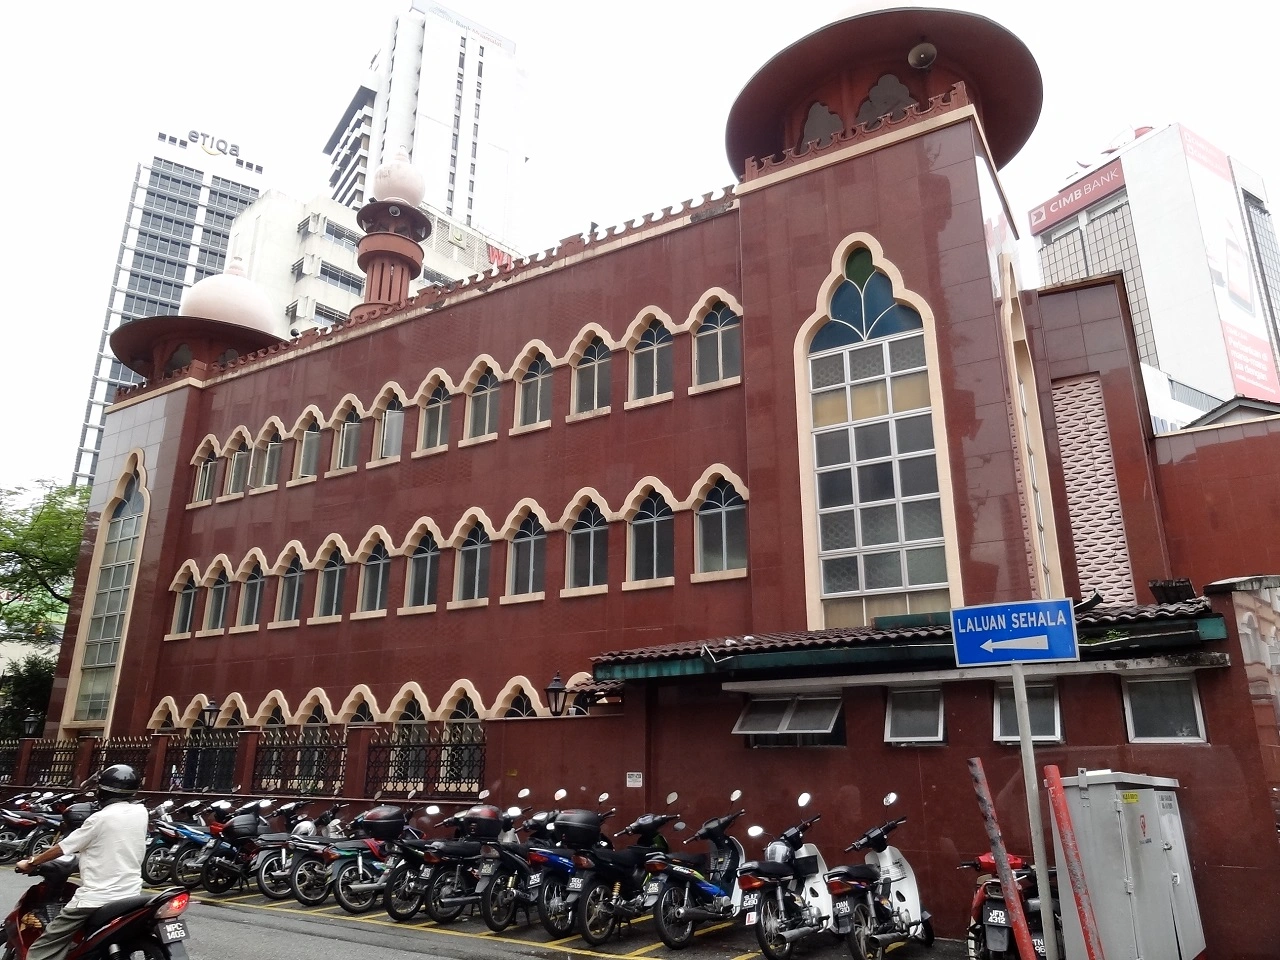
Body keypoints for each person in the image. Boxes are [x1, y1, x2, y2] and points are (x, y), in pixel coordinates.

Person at [16, 764, 147, 960]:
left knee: (45, 944)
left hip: (96, 898)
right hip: (131, 894)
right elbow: (111, 847)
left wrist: (32, 862)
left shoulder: (99, 819)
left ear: (102, 792)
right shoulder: (141, 813)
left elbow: (63, 848)